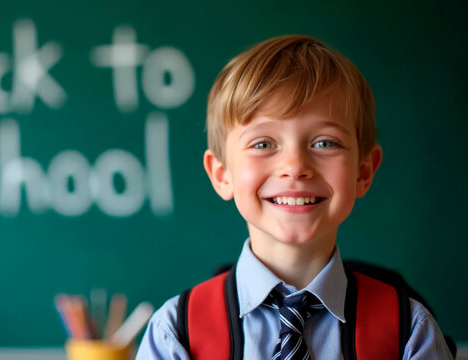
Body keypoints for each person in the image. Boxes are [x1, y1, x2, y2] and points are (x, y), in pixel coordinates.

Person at [135, 35, 453, 359]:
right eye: (263, 144)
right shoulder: (175, 334)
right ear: (221, 174)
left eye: (325, 143)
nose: (295, 167)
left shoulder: (410, 332)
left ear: (363, 171)